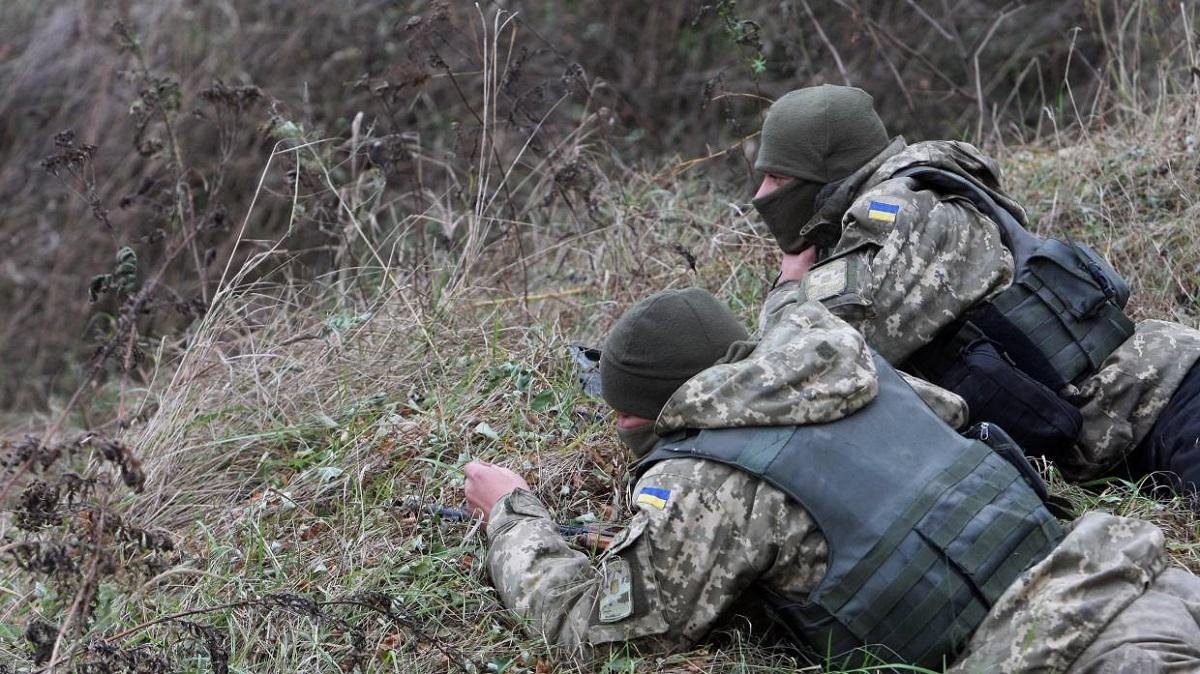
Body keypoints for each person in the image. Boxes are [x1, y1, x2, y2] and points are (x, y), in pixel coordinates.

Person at [464, 288, 1200, 672]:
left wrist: (511, 514)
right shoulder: (866, 374)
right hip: (1142, 580)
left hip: (1062, 652)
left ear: (647, 414)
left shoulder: (706, 478)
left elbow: (594, 627)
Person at [749, 84, 1200, 494]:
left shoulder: (899, 217)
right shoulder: (921, 195)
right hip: (1130, 424)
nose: (761, 194)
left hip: (1165, 399)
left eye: (779, 178)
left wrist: (789, 286)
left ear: (828, 174)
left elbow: (802, 360)